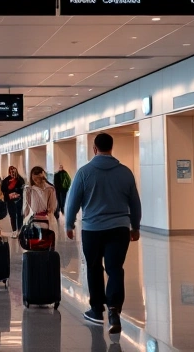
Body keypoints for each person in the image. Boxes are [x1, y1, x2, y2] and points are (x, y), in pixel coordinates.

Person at [65, 132, 142, 332]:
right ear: (112, 147)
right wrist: (135, 226)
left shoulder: (84, 172)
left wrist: (69, 224)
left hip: (92, 230)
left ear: (94, 148)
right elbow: (135, 202)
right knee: (115, 268)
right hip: (119, 229)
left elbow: (73, 201)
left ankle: (97, 310)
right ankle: (114, 309)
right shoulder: (125, 172)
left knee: (93, 267)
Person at [1, 166, 26, 232]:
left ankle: (20, 230)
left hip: (18, 200)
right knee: (12, 215)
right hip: (10, 200)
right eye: (11, 171)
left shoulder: (20, 180)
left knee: (19, 215)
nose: (12, 173)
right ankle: (14, 230)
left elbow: (23, 190)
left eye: (13, 171)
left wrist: (16, 193)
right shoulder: (6, 180)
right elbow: (3, 189)